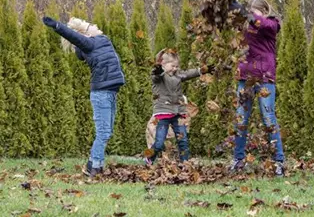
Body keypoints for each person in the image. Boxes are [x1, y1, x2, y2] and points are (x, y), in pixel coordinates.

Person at [42, 16, 125, 177]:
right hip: (101, 94)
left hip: (110, 92)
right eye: (90, 25)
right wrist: (58, 26)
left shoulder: (100, 41)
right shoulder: (90, 44)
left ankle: (95, 165)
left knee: (106, 133)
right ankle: (93, 167)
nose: (94, 25)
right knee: (103, 133)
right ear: (85, 35)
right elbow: (73, 36)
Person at [229, 0, 285, 176]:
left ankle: (279, 161)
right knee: (240, 120)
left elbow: (265, 25)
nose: (251, 17)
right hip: (245, 78)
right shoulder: (245, 27)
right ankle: (238, 160)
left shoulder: (271, 24)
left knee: (268, 118)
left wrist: (248, 14)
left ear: (265, 11)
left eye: (255, 13)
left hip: (264, 78)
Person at [145, 48, 214, 164]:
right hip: (163, 113)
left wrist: (202, 70)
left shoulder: (178, 75)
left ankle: (185, 163)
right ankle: (148, 157)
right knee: (159, 142)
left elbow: (188, 73)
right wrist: (157, 70)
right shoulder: (159, 77)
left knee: (183, 141)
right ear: (163, 64)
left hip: (178, 113)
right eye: (173, 66)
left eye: (177, 66)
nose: (175, 69)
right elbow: (155, 76)